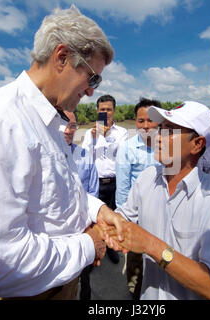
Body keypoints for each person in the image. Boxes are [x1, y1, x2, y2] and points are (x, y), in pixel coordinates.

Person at [0, 6, 124, 299]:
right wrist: (89, 244)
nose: (92, 91)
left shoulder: (49, 122)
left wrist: (98, 210)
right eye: (92, 78)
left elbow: (60, 195)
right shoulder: (2, 121)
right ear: (62, 57)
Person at [113, 101, 210, 300]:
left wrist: (151, 245)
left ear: (197, 144)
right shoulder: (147, 179)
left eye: (170, 131)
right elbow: (121, 218)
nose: (158, 137)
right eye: (161, 128)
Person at [115, 97, 161, 299]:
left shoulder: (170, 144)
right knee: (136, 267)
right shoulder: (127, 148)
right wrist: (123, 225)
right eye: (141, 121)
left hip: (163, 215)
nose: (146, 126)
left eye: (151, 120)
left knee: (162, 261)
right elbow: (123, 188)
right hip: (137, 218)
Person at [82, 94, 128, 264]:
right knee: (93, 219)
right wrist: (95, 137)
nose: (106, 113)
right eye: (102, 110)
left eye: (109, 109)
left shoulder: (122, 133)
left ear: (114, 111)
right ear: (97, 111)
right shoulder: (89, 133)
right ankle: (95, 249)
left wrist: (107, 136)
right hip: (96, 184)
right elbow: (85, 156)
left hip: (114, 182)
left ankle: (111, 248)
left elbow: (120, 155)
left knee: (112, 216)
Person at [61, 110, 99, 300]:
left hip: (82, 227)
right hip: (57, 232)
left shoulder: (85, 156)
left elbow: (92, 189)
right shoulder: (44, 156)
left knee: (84, 275)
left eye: (73, 126)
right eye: (64, 125)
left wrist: (89, 225)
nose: (68, 130)